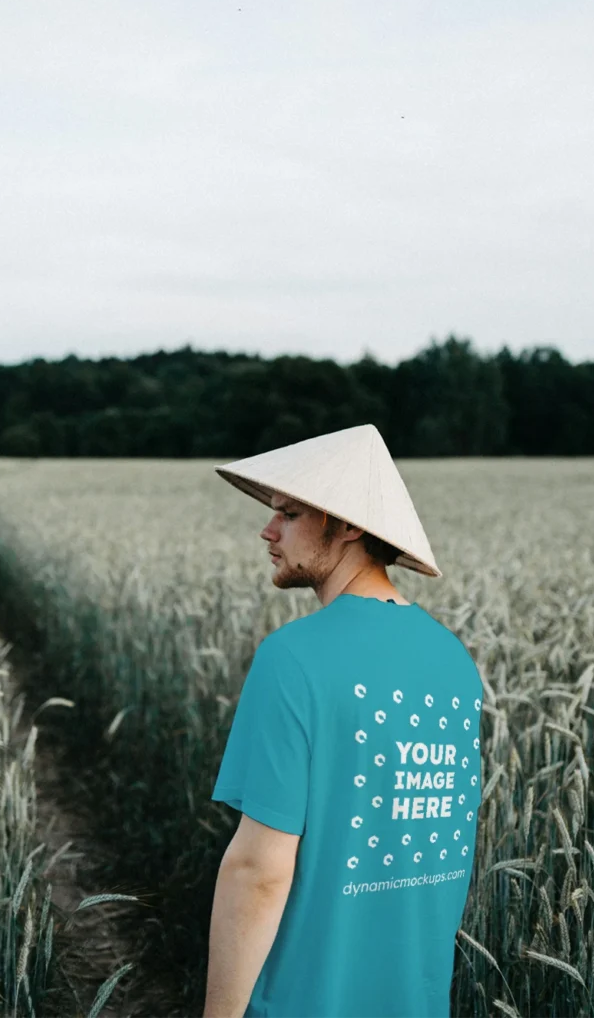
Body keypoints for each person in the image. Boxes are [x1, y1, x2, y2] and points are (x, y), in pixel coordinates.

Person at [204, 423, 484, 1018]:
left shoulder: (293, 657)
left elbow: (258, 871)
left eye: (289, 513)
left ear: (350, 524)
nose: (267, 529)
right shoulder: (455, 663)